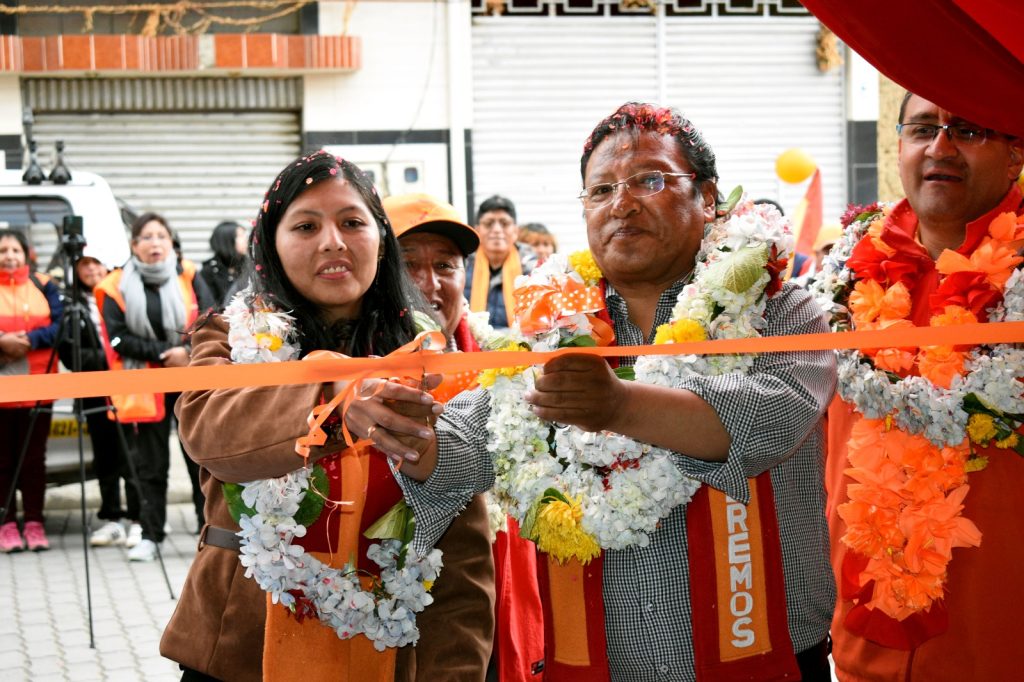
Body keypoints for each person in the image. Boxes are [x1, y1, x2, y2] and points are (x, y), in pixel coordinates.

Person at [422, 102, 837, 681]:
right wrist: (402, 426)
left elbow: (769, 423)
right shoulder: (554, 330)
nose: (622, 204)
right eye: (602, 190)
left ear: (708, 197)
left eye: (649, 180)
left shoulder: (781, 310)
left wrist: (617, 405)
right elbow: (472, 435)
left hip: (764, 662)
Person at [160, 152, 494, 681]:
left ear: (380, 240)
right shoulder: (230, 335)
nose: (333, 242)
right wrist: (333, 397)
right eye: (306, 226)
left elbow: (461, 549)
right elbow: (209, 431)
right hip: (240, 650)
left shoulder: (428, 359)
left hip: (386, 653)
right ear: (271, 243)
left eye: (353, 222)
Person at [821, 93, 1024, 680]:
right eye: (922, 128)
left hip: (999, 645)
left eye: (967, 129)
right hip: (862, 644)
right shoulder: (845, 272)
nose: (940, 147)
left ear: (1015, 154)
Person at [384, 192, 545, 681]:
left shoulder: (504, 368)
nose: (429, 284)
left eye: (445, 266)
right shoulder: (353, 380)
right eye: (408, 265)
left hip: (503, 609)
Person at [94, 212, 214, 561]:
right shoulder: (114, 285)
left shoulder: (189, 274)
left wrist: (187, 352)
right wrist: (165, 353)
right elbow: (118, 338)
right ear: (134, 245)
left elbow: (210, 320)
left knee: (201, 461)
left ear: (171, 242)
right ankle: (151, 534)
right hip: (145, 385)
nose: (155, 243)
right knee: (151, 465)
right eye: (147, 237)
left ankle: (209, 532)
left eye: (161, 236)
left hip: (191, 379)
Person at [57, 255, 140, 546]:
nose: (92, 268)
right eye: (84, 263)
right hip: (94, 391)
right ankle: (112, 518)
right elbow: (70, 354)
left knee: (132, 455)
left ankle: (138, 519)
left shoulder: (123, 294)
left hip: (129, 389)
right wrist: (109, 359)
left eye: (97, 262)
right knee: (105, 457)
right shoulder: (71, 305)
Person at [0, 228, 63, 553]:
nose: (9, 256)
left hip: (39, 387)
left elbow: (59, 325)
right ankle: (7, 523)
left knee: (34, 459)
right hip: (3, 391)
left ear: (26, 254)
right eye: (2, 251)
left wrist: (28, 341)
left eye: (15, 250)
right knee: (2, 460)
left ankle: (35, 522)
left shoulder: (44, 284)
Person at [465, 194, 536, 330]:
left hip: (520, 342)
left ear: (515, 231)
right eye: (488, 224)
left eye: (504, 224)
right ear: (477, 230)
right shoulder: (463, 265)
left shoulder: (533, 269)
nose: (497, 230)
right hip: (471, 342)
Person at [200, 220, 248, 306]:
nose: (246, 240)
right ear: (227, 241)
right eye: (240, 236)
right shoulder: (208, 271)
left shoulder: (250, 266)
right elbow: (207, 306)